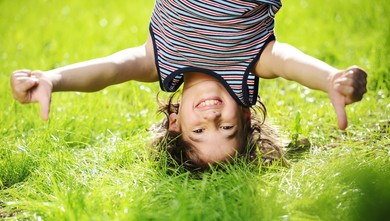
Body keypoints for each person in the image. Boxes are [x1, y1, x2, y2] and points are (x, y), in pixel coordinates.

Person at [10, 0, 367, 171]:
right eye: (226, 128)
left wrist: (52, 79)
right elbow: (289, 62)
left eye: (199, 131)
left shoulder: (158, 62)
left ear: (175, 121)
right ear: (244, 113)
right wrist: (330, 79)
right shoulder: (253, 62)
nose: (212, 117)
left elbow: (109, 71)